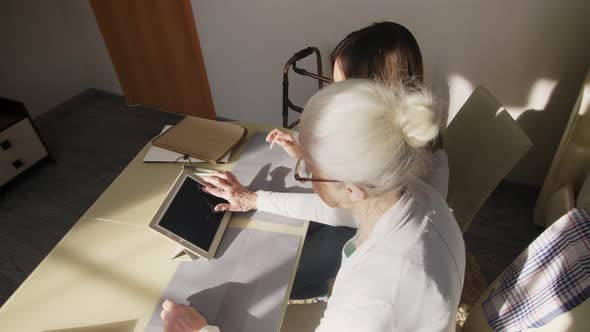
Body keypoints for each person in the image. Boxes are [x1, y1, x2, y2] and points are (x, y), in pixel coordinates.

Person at [161, 79, 465, 331]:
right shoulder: (416, 195)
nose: (305, 172)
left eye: (310, 170)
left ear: (351, 189)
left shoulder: (373, 301)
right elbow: (340, 210)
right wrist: (253, 199)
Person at [269, 21, 449, 299]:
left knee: (279, 272)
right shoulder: (400, 136)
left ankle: (310, 288)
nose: (331, 95)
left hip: (351, 232)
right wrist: (306, 156)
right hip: (354, 222)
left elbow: (336, 208)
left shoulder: (411, 171)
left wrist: (256, 198)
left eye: (340, 88)